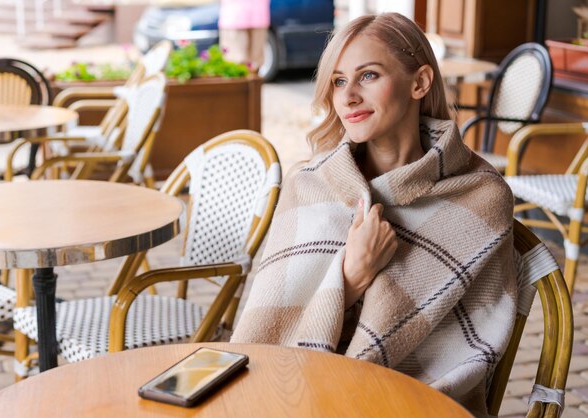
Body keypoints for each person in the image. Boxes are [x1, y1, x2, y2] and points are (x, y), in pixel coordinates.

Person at [231, 13, 517, 417]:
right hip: (296, 393)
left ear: (419, 82)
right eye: (338, 81)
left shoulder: (481, 196)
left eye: (368, 76)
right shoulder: (309, 185)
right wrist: (350, 277)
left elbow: (468, 350)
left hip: (413, 404)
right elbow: (268, 331)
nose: (347, 98)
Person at [218, 0, 270, 73]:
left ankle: (248, 82)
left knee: (249, 63)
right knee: (241, 62)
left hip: (246, 15)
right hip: (238, 16)